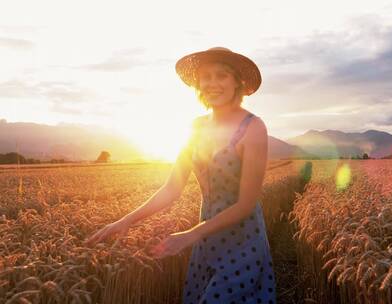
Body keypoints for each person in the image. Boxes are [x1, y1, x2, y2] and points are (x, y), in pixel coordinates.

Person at [85, 47, 276, 303]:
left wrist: (191, 234)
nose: (212, 83)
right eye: (206, 77)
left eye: (222, 76)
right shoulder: (195, 128)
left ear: (237, 82)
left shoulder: (253, 127)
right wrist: (126, 221)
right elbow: (172, 188)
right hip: (206, 241)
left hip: (243, 240)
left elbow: (245, 204)